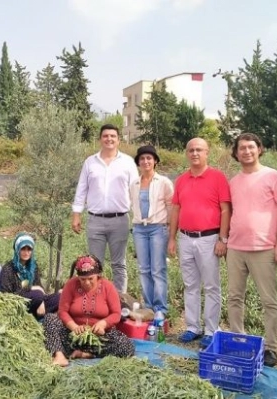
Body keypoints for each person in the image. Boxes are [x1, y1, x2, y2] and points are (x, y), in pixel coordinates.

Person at [226, 133, 277, 367]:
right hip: (236, 247)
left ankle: (271, 347)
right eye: (242, 148)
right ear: (236, 152)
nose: (247, 151)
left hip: (263, 248)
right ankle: (237, 338)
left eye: (251, 147)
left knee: (269, 300)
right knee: (234, 297)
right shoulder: (233, 181)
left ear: (259, 149)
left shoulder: (273, 176)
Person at [168, 137, 231, 348]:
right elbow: (176, 209)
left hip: (209, 238)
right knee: (190, 285)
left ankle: (212, 329)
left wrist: (223, 239)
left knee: (212, 286)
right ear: (187, 153)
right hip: (186, 237)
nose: (195, 153)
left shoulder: (218, 177)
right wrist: (172, 238)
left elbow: (225, 209)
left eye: (199, 150)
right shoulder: (182, 180)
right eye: (191, 150)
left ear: (207, 153)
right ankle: (192, 327)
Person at [71, 124, 138, 294]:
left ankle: (119, 301)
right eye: (106, 136)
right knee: (94, 264)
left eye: (113, 136)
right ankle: (97, 300)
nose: (109, 139)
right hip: (95, 221)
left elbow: (136, 191)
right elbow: (81, 189)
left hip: (120, 220)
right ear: (100, 139)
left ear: (118, 140)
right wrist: (76, 215)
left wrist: (138, 217)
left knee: (119, 263)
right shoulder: (90, 162)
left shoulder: (128, 162)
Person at [43, 254, 135, 367]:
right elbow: (62, 311)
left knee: (126, 346)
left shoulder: (108, 287)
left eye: (91, 279)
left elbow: (116, 314)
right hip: (73, 336)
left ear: (98, 276)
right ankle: (59, 355)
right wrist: (74, 327)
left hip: (99, 336)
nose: (86, 283)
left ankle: (87, 353)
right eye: (82, 279)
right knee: (50, 319)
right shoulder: (71, 285)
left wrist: (103, 324)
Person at [130, 145, 174, 315]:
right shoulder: (134, 183)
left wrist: (170, 228)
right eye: (142, 158)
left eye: (149, 158)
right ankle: (148, 306)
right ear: (138, 162)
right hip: (139, 229)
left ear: (155, 161)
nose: (146, 161)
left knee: (158, 269)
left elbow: (171, 205)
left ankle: (160, 308)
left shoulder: (163, 182)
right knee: (143, 269)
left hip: (158, 228)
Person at [0, 233, 60, 317]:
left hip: (34, 300)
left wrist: (41, 300)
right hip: (14, 304)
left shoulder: (33, 266)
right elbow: (5, 295)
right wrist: (32, 289)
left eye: (29, 249)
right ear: (17, 250)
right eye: (23, 249)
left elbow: (40, 289)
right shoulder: (8, 268)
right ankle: (35, 314)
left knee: (61, 297)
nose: (26, 252)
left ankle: (38, 313)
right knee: (37, 294)